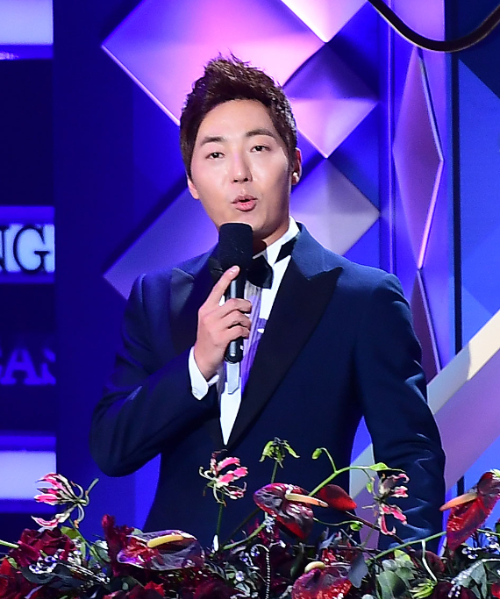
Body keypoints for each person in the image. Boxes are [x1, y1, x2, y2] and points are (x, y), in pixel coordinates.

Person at [90, 56, 445, 549]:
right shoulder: (158, 295)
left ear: (294, 163)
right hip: (173, 578)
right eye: (215, 154)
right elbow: (111, 447)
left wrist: (402, 577)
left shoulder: (363, 298)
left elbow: (410, 456)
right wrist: (197, 364)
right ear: (191, 181)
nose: (239, 173)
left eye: (258, 148)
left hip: (301, 577)